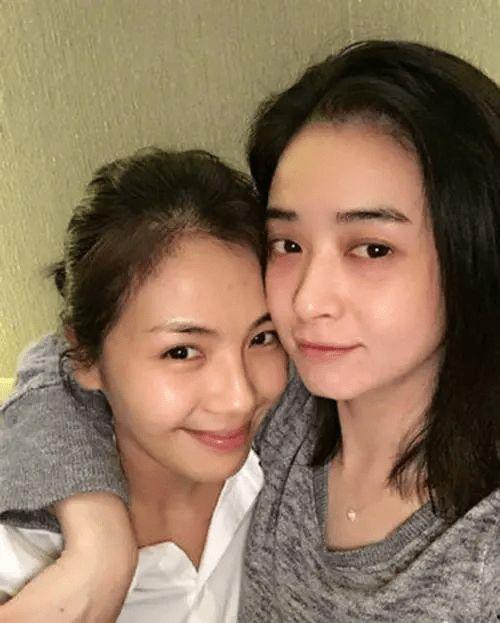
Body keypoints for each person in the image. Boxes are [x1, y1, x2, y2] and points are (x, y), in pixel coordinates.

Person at [1, 40, 499, 622]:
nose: (307, 301)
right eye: (288, 244)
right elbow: (65, 360)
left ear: (475, 254)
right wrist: (100, 538)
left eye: (372, 248)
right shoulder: (281, 407)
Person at [0, 148, 288, 622]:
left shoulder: (286, 460)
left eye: (262, 337)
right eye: (182, 351)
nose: (239, 397)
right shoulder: (22, 550)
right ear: (88, 357)